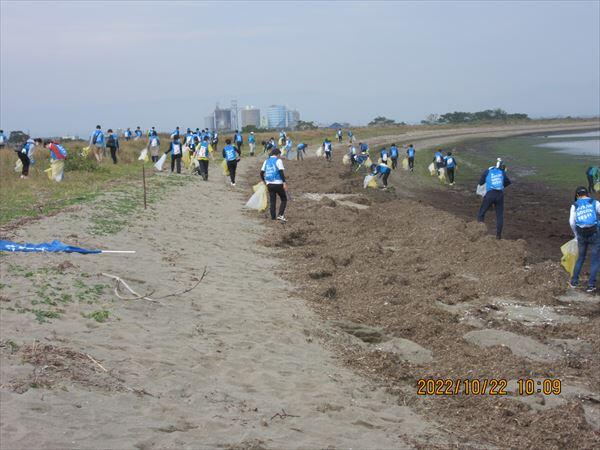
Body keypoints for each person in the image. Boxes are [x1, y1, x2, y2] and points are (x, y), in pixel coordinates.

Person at [569, 186, 600, 293]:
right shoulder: (595, 203)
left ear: (577, 195)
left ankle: (574, 281)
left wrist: (576, 235)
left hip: (581, 235)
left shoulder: (575, 205)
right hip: (594, 233)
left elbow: (572, 222)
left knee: (581, 258)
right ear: (587, 193)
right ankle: (591, 285)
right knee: (595, 259)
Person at [477, 159, 512, 239]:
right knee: (499, 215)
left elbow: (481, 182)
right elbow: (508, 182)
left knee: (481, 213)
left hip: (490, 194)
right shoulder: (502, 173)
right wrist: (501, 184)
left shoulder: (488, 171)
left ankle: (480, 231)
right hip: (499, 194)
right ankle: (498, 236)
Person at [260, 148, 288, 222]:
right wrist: (284, 183)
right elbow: (281, 173)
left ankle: (273, 218)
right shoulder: (278, 160)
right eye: (280, 154)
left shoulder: (266, 161)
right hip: (278, 183)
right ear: (278, 154)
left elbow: (261, 173)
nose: (280, 156)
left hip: (269, 184)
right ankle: (280, 215)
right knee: (284, 199)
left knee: (272, 201)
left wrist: (264, 181)